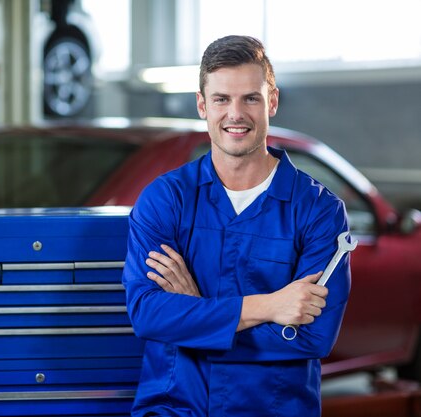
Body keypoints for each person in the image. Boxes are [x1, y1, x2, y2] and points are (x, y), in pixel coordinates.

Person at [122, 35, 351, 417]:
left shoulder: (318, 211)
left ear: (272, 101)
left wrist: (196, 314)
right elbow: (147, 312)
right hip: (174, 406)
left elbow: (312, 335)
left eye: (250, 98)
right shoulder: (166, 199)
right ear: (202, 105)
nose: (235, 114)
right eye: (221, 99)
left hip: (273, 409)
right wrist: (268, 307)